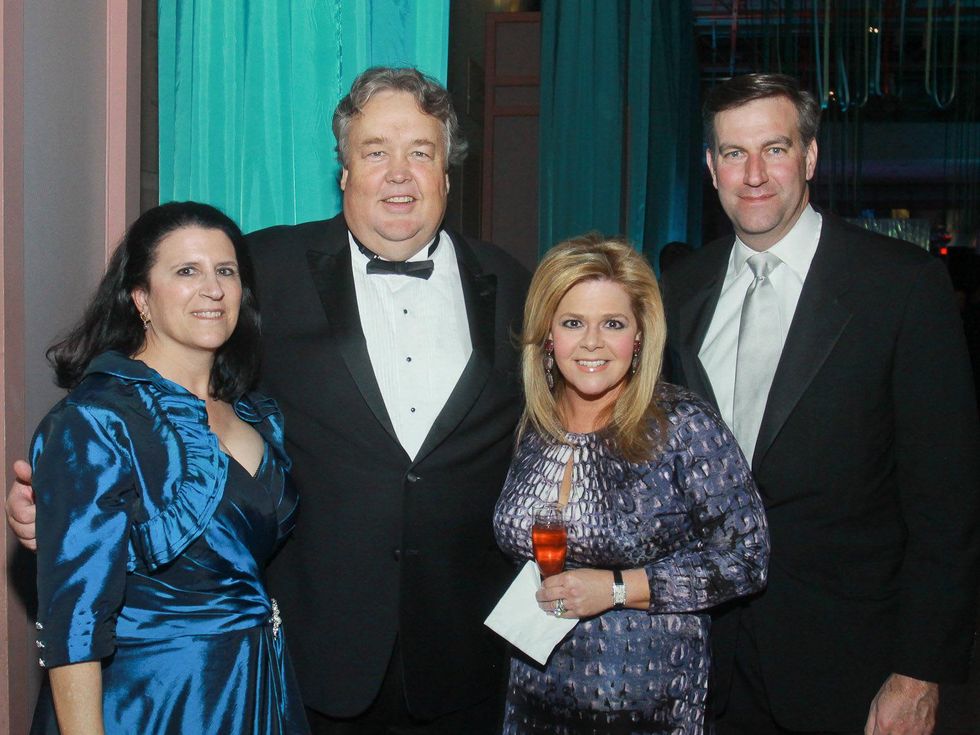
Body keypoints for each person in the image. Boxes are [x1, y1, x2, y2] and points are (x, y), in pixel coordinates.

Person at [9, 67, 530, 733]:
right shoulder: (261, 268)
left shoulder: (513, 284)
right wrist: (59, 502)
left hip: (463, 662)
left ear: (448, 176)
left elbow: (561, 428)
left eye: (420, 152)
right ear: (343, 172)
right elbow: (153, 388)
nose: (399, 174)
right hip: (308, 666)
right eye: (375, 152)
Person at [660, 73, 980, 735]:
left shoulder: (900, 286)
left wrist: (920, 673)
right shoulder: (680, 288)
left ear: (809, 158)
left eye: (774, 149)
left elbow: (947, 505)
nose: (753, 174)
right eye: (732, 153)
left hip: (849, 670)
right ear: (709, 166)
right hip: (706, 666)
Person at [26, 202, 308, 734]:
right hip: (152, 702)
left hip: (254, 687)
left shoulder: (256, 413)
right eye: (186, 271)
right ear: (140, 298)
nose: (214, 288)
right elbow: (75, 621)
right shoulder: (96, 419)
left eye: (226, 271)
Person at [493, 234, 769, 733]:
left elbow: (748, 558)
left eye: (613, 324)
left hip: (646, 706)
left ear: (639, 336)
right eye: (573, 322)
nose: (592, 342)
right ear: (548, 336)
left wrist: (618, 588)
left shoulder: (683, 424)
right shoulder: (533, 425)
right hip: (534, 695)